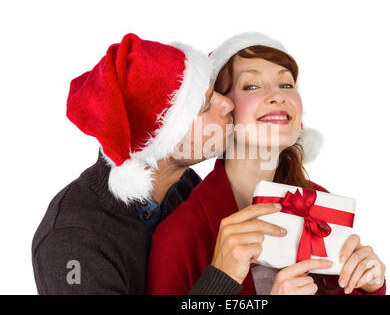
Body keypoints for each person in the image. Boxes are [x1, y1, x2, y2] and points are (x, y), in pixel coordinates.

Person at [146, 32, 386, 295]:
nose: (278, 96)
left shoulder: (320, 204)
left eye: (286, 85)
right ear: (222, 108)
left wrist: (368, 285)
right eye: (251, 86)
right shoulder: (179, 235)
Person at [32, 33, 239, 294]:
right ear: (164, 139)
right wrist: (222, 277)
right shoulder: (73, 240)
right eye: (207, 104)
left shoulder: (184, 187)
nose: (228, 103)